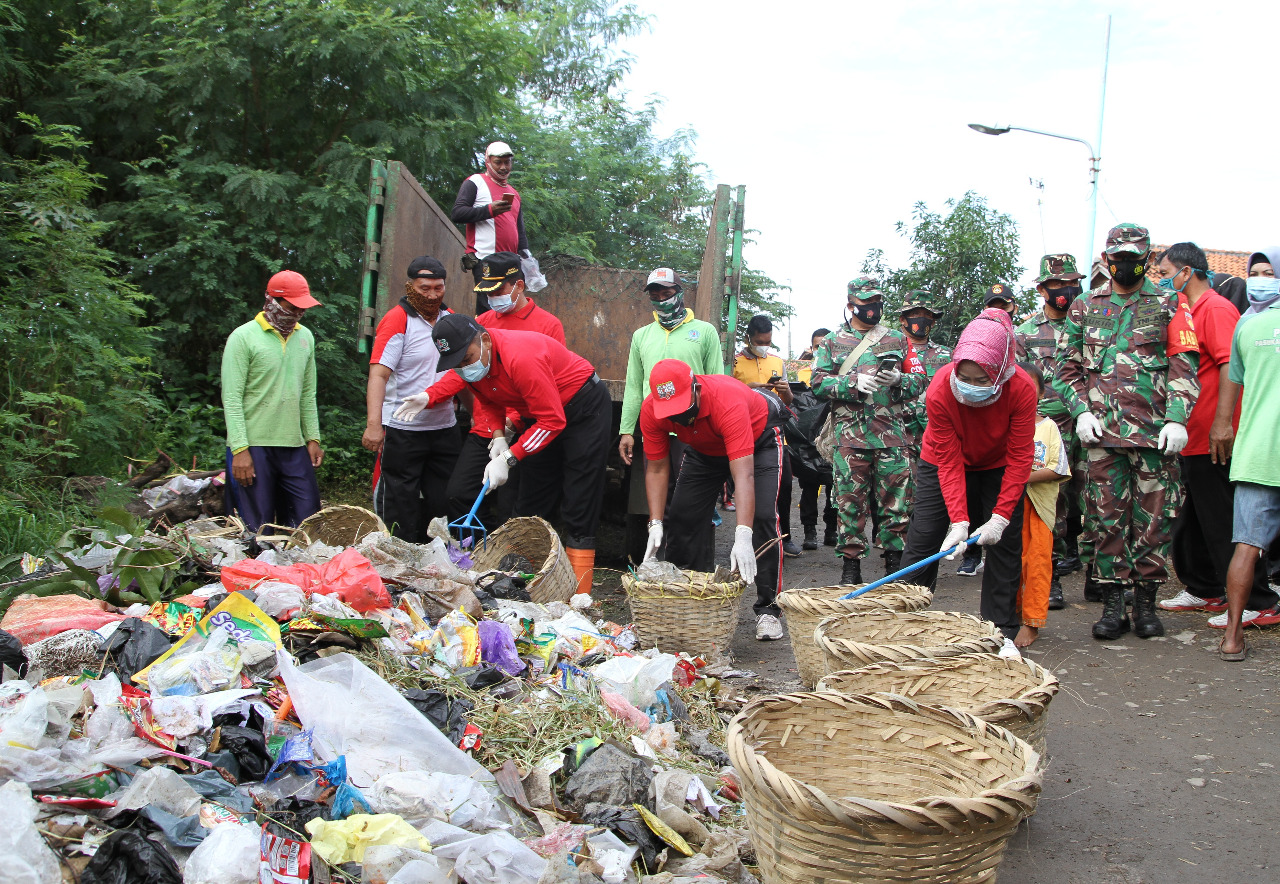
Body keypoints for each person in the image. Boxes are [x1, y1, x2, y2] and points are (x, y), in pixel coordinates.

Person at [395, 314, 610, 595]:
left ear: (484, 340)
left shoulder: (521, 358)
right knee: (531, 495)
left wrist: (510, 457)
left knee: (579, 497)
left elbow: (553, 421)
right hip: (541, 412)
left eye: (466, 358)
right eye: (456, 363)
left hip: (583, 406)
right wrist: (498, 436)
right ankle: (526, 583)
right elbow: (489, 398)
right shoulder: (474, 365)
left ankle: (580, 593)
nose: (463, 366)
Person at [1058, 224, 1199, 641]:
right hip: (1102, 437)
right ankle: (1114, 604)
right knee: (1104, 520)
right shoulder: (1085, 305)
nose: (1125, 265)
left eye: (1133, 258)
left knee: (1154, 520)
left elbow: (1183, 364)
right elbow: (1067, 367)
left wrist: (1177, 416)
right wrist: (1081, 411)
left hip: (1154, 435)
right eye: (1117, 258)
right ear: (1106, 259)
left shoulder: (1170, 302)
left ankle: (1146, 604)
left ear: (1147, 259)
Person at [1153, 245, 1279, 624]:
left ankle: (1257, 601)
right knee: (1193, 518)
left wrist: (1223, 425)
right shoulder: (1189, 311)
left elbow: (1230, 367)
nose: (1163, 280)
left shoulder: (1216, 309)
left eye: (1166, 272)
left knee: (1224, 518)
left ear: (1188, 272)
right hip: (1192, 434)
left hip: (1214, 433)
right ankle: (1204, 587)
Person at [898, 308, 1037, 640]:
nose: (971, 387)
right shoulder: (941, 388)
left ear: (1002, 370)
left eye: (982, 380)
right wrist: (960, 521)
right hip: (942, 460)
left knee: (1004, 545)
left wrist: (1000, 517)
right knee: (925, 539)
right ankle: (904, 623)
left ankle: (1000, 630)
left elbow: (1020, 457)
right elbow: (948, 461)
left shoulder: (1021, 389)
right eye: (966, 379)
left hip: (999, 465)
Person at [639, 359, 788, 641]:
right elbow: (657, 468)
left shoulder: (725, 400)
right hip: (705, 450)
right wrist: (655, 522)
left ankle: (768, 610)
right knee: (682, 517)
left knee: (763, 517)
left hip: (758, 442)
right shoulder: (651, 410)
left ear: (696, 388)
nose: (679, 418)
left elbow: (743, 476)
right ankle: (686, 600)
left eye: (683, 409)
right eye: (671, 413)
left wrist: (742, 535)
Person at [414, 253, 566, 523]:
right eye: (487, 292)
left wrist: (513, 423)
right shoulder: (481, 322)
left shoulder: (548, 325)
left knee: (512, 503)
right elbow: (464, 371)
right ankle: (471, 552)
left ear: (518, 285)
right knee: (459, 493)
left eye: (497, 290)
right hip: (487, 425)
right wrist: (430, 396)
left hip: (524, 428)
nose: (492, 297)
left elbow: (546, 387)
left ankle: (504, 555)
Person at [811, 277, 926, 585]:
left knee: (897, 504)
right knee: (850, 503)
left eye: (877, 302)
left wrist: (898, 380)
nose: (873, 309)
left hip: (892, 437)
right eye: (866, 304)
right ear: (851, 306)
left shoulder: (897, 340)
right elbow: (818, 383)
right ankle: (851, 569)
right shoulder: (833, 342)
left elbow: (920, 381)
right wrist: (851, 384)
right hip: (850, 439)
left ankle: (894, 566)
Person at [617, 268, 722, 562]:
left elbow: (715, 380)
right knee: (657, 497)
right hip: (656, 427)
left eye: (667, 293)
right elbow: (635, 386)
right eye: (655, 295)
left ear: (680, 292)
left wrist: (715, 430)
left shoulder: (704, 331)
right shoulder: (642, 336)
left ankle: (697, 560)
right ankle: (659, 558)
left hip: (694, 427)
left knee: (695, 494)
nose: (662, 300)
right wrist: (627, 430)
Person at [362, 256, 461, 542]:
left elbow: (462, 371)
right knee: (399, 499)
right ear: (410, 286)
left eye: (438, 288)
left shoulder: (449, 319)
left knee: (444, 499)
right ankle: (398, 552)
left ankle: (439, 555)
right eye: (424, 288)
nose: (432, 295)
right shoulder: (397, 319)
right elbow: (378, 375)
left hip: (444, 428)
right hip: (403, 429)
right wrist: (374, 425)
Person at [1013, 253, 1090, 609]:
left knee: (1093, 502)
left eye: (1071, 283)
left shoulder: (1091, 326)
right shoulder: (1025, 334)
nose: (1065, 290)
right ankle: (1052, 576)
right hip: (1042, 428)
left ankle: (1099, 577)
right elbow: (1014, 384)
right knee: (1050, 503)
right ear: (1042, 289)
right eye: (1057, 285)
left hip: (1087, 426)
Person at [221, 270, 323, 532]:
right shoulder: (243, 338)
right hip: (254, 445)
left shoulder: (305, 337)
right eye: (292, 307)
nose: (298, 313)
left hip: (293, 443)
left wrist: (313, 437)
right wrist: (240, 450)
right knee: (259, 526)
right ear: (273, 302)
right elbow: (231, 398)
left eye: (303, 308)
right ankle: (261, 570)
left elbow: (307, 393)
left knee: (309, 520)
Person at [1214, 277, 1280, 660]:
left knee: (1246, 548)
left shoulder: (1248, 324)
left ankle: (1233, 637)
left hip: (1257, 453)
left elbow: (1232, 382)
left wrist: (1222, 427)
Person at [1015, 363, 1071, 647]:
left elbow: (1059, 469)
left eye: (1030, 386)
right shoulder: (1003, 425)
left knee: (1036, 563)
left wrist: (1021, 477)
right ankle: (1009, 617)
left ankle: (1031, 621)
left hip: (1038, 508)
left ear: (1039, 392)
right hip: (1008, 508)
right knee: (1009, 564)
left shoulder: (1048, 427)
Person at [732, 315, 797, 555]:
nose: (764, 345)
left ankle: (784, 538)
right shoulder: (735, 363)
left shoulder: (777, 362)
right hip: (745, 434)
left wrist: (786, 391)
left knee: (786, 487)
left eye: (768, 342)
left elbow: (788, 403)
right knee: (747, 486)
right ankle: (750, 539)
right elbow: (727, 394)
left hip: (777, 435)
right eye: (760, 341)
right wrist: (749, 389)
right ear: (749, 337)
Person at [451, 141, 530, 312]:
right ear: (488, 161)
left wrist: (527, 258)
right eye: (498, 162)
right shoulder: (475, 182)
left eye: (507, 162)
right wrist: (489, 210)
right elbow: (457, 213)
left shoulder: (514, 193)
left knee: (514, 307)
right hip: (485, 258)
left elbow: (519, 230)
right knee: (489, 308)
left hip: (511, 261)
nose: (503, 167)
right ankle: (487, 338)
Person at [794, 329, 836, 549]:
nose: (820, 350)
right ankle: (809, 532)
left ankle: (831, 530)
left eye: (824, 345)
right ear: (811, 348)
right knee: (809, 487)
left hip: (832, 436)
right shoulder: (803, 373)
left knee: (833, 487)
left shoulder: (840, 371)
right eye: (817, 346)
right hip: (808, 439)